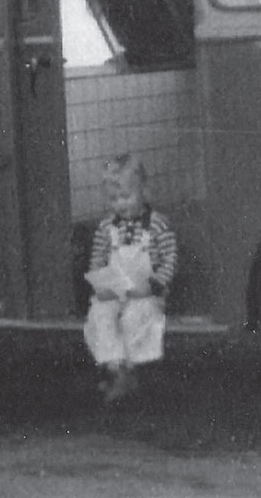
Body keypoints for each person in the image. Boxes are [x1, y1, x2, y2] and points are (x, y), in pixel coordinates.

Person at [83, 153, 178, 402]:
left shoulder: (157, 225)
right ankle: (116, 368)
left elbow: (169, 260)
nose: (121, 204)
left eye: (126, 197)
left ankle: (131, 371)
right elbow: (97, 260)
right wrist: (100, 285)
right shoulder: (107, 229)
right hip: (116, 290)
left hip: (145, 291)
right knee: (101, 314)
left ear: (143, 192)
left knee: (136, 317)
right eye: (114, 199)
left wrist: (154, 285)